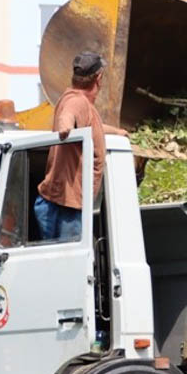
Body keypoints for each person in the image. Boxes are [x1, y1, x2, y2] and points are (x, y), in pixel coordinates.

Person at [34, 52, 129, 241]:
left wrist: (117, 132)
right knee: (68, 268)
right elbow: (68, 115)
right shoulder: (77, 102)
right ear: (99, 77)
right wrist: (65, 127)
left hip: (55, 201)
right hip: (66, 210)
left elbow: (91, 126)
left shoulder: (71, 98)